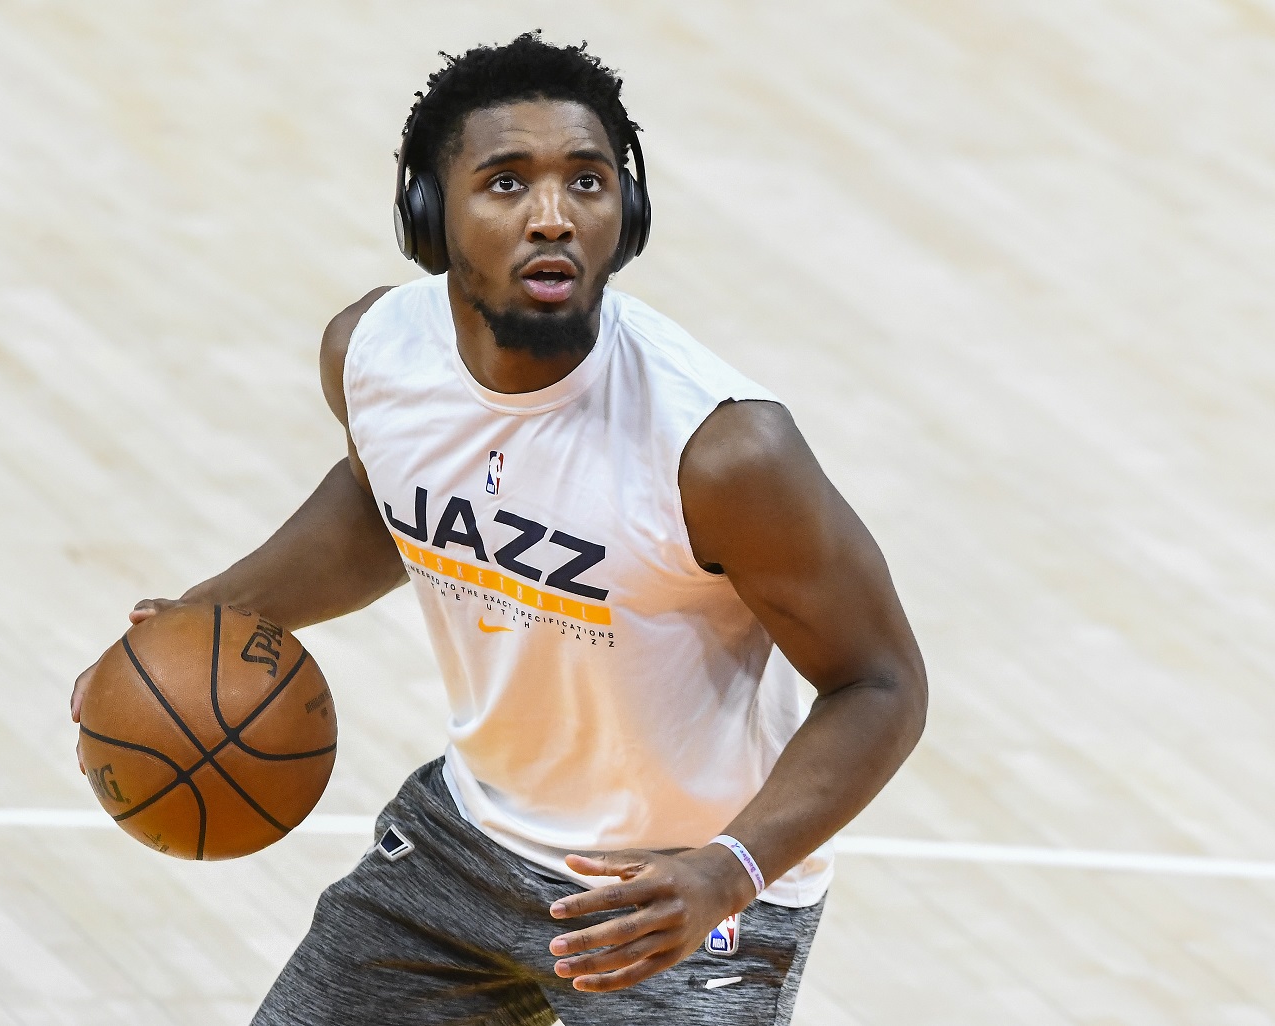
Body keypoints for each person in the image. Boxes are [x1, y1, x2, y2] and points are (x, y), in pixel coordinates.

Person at [70, 31, 926, 1026]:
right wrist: (194, 624)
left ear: (628, 213)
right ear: (430, 216)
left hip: (673, 898)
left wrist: (724, 874)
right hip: (465, 847)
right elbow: (383, 505)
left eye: (589, 182)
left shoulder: (724, 452)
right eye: (507, 184)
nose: (554, 216)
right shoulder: (374, 353)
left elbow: (882, 683)